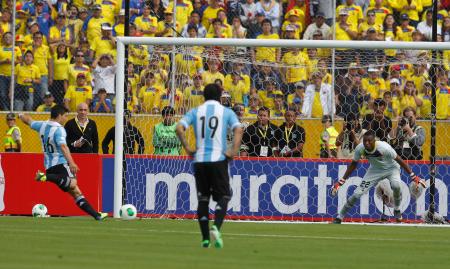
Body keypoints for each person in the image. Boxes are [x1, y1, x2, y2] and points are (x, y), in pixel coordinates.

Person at [176, 83, 243, 249]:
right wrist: (232, 151)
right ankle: (216, 226)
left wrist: (188, 148)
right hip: (218, 159)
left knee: (203, 199)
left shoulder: (195, 111)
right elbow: (239, 129)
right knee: (224, 196)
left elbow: (178, 128)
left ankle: (205, 239)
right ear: (220, 96)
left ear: (203, 96)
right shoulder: (226, 112)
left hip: (199, 160)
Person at [18, 105, 107, 220]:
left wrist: (20, 115)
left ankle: (96, 215)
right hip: (60, 163)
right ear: (59, 115)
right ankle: (45, 177)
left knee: (76, 192)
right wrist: (72, 163)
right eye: (65, 116)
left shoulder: (42, 125)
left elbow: (29, 121)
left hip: (49, 166)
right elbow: (63, 146)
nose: (66, 118)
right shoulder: (60, 129)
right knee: (73, 184)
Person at [331, 130, 426, 224]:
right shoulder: (360, 148)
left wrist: (413, 176)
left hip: (391, 169)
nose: (367, 143)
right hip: (374, 170)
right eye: (365, 141)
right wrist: (341, 181)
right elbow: (353, 164)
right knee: (357, 194)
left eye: (369, 141)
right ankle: (340, 216)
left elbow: (400, 160)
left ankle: (397, 209)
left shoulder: (384, 148)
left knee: (396, 185)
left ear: (374, 141)